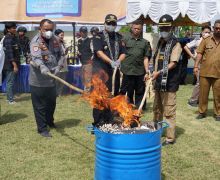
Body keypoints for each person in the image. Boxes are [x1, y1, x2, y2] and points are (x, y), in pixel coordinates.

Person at [29, 19, 65, 137]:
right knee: (39, 106)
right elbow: (36, 58)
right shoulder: (36, 41)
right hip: (38, 80)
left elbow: (61, 54)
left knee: (51, 103)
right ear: (40, 29)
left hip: (51, 79)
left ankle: (50, 121)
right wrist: (42, 67)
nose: (49, 32)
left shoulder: (55, 39)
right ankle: (42, 129)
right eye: (46, 29)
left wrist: (59, 66)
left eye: (51, 29)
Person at [152, 14, 182, 145]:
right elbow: (156, 59)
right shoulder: (160, 42)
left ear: (172, 28)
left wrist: (159, 72)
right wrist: (152, 72)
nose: (163, 31)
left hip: (169, 84)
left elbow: (173, 63)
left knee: (168, 112)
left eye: (166, 28)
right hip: (158, 82)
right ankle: (156, 132)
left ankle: (170, 138)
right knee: (157, 109)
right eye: (162, 28)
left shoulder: (176, 44)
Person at [92, 14, 126, 126]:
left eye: (113, 23)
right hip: (101, 72)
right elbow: (99, 52)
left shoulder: (119, 37)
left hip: (114, 73)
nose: (111, 25)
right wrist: (111, 61)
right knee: (100, 97)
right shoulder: (98, 36)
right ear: (105, 23)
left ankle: (110, 119)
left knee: (113, 96)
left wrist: (118, 61)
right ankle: (98, 121)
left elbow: (123, 52)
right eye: (109, 23)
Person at [120, 20, 151, 109]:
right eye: (135, 28)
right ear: (131, 28)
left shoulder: (145, 42)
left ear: (141, 30)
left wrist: (146, 71)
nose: (136, 30)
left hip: (139, 71)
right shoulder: (125, 39)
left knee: (140, 91)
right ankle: (128, 108)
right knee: (127, 91)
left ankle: (139, 108)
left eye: (139, 29)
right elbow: (121, 54)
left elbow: (146, 58)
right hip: (127, 70)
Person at [194, 20, 220, 121]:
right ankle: (202, 112)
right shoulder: (206, 40)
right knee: (203, 95)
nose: (218, 30)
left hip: (218, 74)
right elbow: (199, 53)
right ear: (213, 28)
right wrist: (196, 66)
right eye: (216, 28)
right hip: (205, 72)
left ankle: (218, 113)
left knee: (218, 95)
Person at [184, 26, 211, 107]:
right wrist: (192, 56)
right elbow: (186, 47)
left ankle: (199, 99)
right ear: (202, 32)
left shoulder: (211, 41)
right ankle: (193, 100)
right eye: (205, 32)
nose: (207, 34)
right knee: (199, 82)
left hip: (207, 65)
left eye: (209, 32)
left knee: (204, 83)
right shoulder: (198, 40)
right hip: (199, 64)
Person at [2, 22, 20, 104]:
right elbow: (10, 54)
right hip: (10, 64)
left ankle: (10, 96)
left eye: (15, 28)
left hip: (14, 63)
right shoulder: (8, 39)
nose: (14, 29)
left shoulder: (13, 37)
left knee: (11, 81)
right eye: (13, 28)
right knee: (10, 82)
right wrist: (14, 65)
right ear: (8, 29)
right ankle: (10, 100)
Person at [77, 26, 93, 91]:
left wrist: (90, 60)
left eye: (85, 31)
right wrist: (78, 53)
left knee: (88, 78)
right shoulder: (79, 40)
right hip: (82, 62)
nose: (84, 33)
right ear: (80, 32)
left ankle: (87, 93)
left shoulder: (90, 40)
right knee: (83, 78)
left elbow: (93, 52)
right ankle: (85, 91)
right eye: (83, 32)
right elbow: (79, 50)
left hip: (88, 62)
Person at [54, 29, 68, 96]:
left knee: (62, 79)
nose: (62, 36)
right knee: (56, 79)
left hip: (64, 63)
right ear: (56, 35)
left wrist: (67, 50)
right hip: (57, 64)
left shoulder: (63, 43)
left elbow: (64, 53)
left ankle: (59, 93)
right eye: (61, 35)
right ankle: (54, 93)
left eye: (63, 35)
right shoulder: (54, 43)